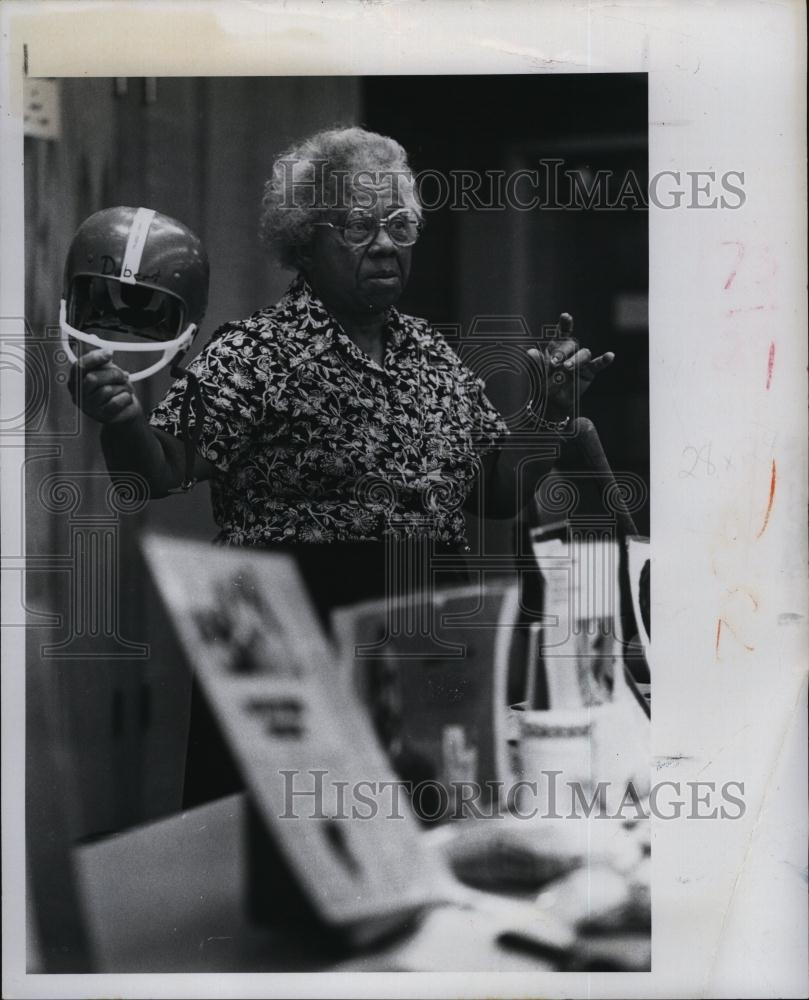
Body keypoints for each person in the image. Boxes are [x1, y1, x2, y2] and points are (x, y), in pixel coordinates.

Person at [68, 127, 615, 802]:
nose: (384, 245)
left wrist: (547, 417)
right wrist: (120, 417)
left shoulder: (433, 357)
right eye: (358, 227)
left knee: (432, 847)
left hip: (425, 630)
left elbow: (493, 494)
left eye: (398, 225)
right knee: (296, 864)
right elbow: (154, 471)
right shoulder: (255, 353)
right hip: (293, 643)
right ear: (306, 241)